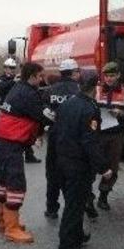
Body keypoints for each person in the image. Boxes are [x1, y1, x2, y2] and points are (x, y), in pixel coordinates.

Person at [0, 62, 54, 243]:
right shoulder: (27, 94)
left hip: (4, 142)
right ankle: (11, 228)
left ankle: (3, 222)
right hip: (10, 143)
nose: (43, 80)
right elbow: (44, 116)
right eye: (41, 76)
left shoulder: (19, 88)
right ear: (33, 76)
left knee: (4, 183)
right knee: (16, 185)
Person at [55, 73, 113, 249]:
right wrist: (103, 167)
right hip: (78, 164)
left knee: (76, 202)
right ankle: (66, 246)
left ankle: (77, 235)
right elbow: (90, 142)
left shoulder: (67, 104)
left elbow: (57, 131)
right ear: (95, 87)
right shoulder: (90, 109)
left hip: (62, 160)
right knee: (74, 205)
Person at [42, 58, 81, 219]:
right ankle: (72, 210)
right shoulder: (80, 91)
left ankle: (52, 208)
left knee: (52, 174)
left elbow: (43, 114)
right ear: (73, 73)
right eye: (77, 71)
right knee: (73, 177)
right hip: (74, 140)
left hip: (55, 137)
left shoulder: (50, 90)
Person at [93, 61, 124, 212]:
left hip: (115, 134)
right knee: (91, 164)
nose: (109, 79)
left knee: (112, 167)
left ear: (118, 75)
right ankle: (87, 197)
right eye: (106, 76)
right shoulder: (96, 90)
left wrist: (120, 113)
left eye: (112, 76)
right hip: (96, 133)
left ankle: (103, 196)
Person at [0, 57, 42, 164]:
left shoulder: (19, 80)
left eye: (13, 68)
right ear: (5, 68)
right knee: (10, 132)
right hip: (7, 108)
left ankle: (29, 155)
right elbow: (1, 87)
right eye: (9, 68)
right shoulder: (1, 79)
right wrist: (13, 81)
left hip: (19, 107)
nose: (11, 70)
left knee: (25, 129)